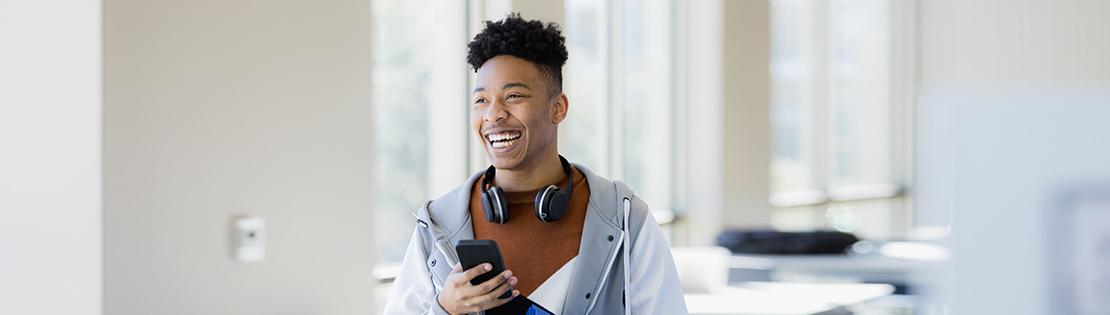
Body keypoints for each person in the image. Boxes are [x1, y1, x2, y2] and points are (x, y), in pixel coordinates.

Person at [384, 13, 687, 315]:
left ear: (558, 108)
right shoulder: (437, 224)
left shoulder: (624, 220)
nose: (493, 115)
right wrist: (444, 309)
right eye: (481, 100)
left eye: (513, 95)